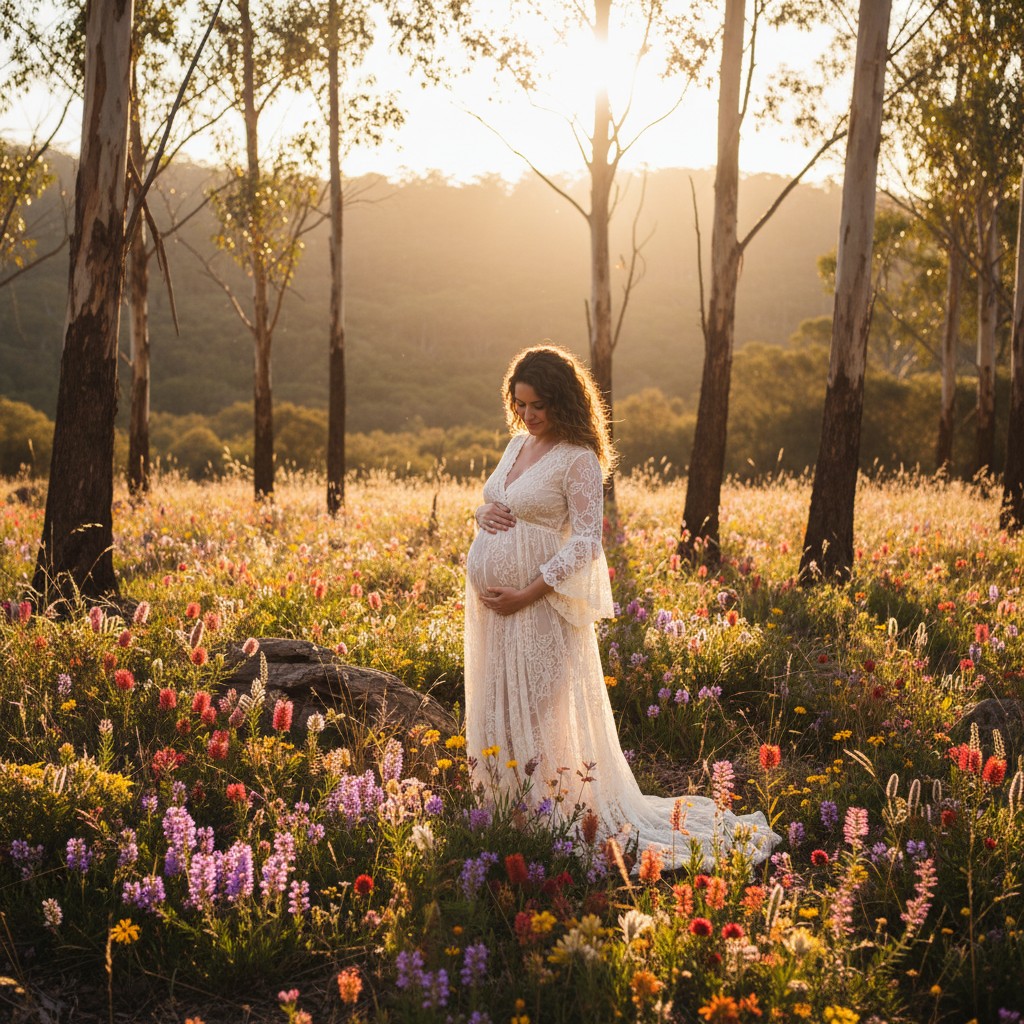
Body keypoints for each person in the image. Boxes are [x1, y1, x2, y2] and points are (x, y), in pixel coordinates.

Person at [464, 343, 779, 868]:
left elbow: (587, 540)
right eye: (519, 404)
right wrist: (482, 513)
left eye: (537, 404)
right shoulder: (518, 445)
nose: (527, 414)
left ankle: (551, 819)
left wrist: (526, 591)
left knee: (538, 717)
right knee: (497, 706)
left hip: (540, 607)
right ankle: (504, 814)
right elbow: (498, 501)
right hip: (492, 615)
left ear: (563, 401)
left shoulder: (579, 459)